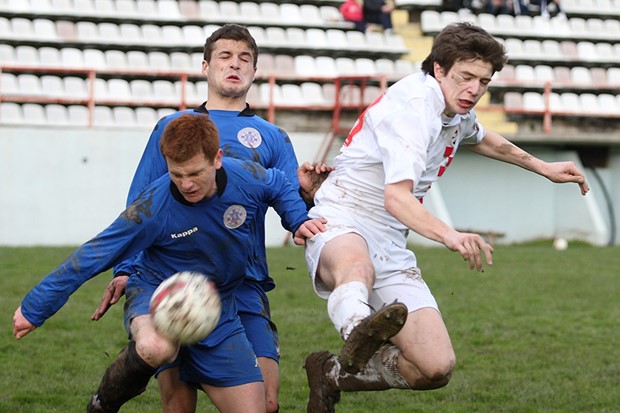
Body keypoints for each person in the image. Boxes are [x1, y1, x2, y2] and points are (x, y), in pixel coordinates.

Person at [302, 22, 590, 412]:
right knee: (356, 264)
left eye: (483, 82)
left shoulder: (452, 109)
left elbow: (482, 136)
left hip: (390, 237)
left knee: (435, 367)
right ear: (438, 69)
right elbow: (396, 199)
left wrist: (542, 167)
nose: (474, 89)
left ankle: (333, 373)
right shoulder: (413, 108)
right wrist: (451, 236)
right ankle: (357, 330)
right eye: (465, 77)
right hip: (343, 214)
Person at [13, 114, 327, 413]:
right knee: (156, 347)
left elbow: (278, 183)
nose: (186, 184)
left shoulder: (244, 177)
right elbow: (94, 254)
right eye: (176, 174)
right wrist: (35, 307)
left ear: (216, 159)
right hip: (155, 291)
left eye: (194, 174)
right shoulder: (152, 208)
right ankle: (103, 403)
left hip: (217, 305)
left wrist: (297, 218)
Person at [90, 24, 331, 413]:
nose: (235, 65)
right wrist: (126, 268)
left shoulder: (272, 136)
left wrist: (307, 191)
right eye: (225, 56)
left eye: (245, 59)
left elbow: (292, 211)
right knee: (178, 404)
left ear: (254, 72)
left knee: (267, 403)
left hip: (243, 281)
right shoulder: (173, 127)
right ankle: (116, 384)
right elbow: (140, 204)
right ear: (205, 66)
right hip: (173, 279)